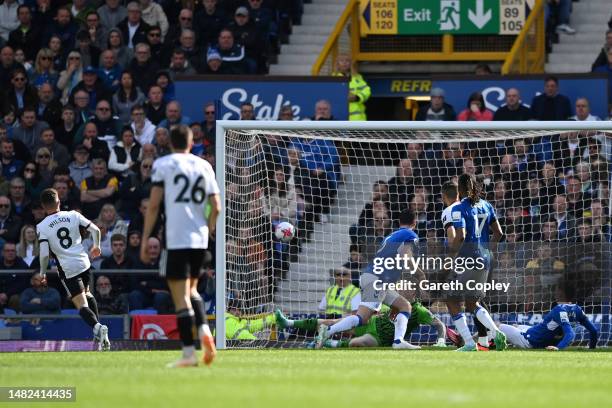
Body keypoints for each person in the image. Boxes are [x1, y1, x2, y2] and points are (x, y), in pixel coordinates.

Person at [140, 124, 220, 367]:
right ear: (190, 142)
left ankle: (188, 353)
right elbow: (216, 206)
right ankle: (205, 330)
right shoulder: (204, 165)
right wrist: (210, 227)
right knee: (193, 290)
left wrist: (145, 238)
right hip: (200, 240)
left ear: (171, 143)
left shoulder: (163, 164)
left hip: (176, 239)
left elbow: (153, 206)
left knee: (180, 297)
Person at [316, 209, 421, 350]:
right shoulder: (410, 234)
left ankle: (398, 341)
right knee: (361, 318)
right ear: (415, 222)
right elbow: (404, 256)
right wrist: (419, 273)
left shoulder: (391, 236)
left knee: (404, 306)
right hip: (377, 280)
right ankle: (328, 331)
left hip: (372, 277)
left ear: (398, 222)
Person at [36, 188, 110, 350]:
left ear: (43, 206)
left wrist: (42, 273)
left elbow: (44, 255)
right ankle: (96, 332)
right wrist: (96, 246)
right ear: (59, 202)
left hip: (67, 268)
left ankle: (98, 327)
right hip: (84, 262)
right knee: (88, 293)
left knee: (81, 305)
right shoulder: (73, 215)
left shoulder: (42, 226)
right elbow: (95, 229)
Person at [446, 174, 506, 352]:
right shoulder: (487, 205)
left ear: (460, 190)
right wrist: (487, 250)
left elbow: (461, 236)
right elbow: (499, 233)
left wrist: (450, 256)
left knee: (451, 300)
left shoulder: (459, 209)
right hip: (484, 258)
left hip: (469, 258)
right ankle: (494, 334)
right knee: (472, 303)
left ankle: (472, 342)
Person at [276, 302, 449, 348]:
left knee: (356, 343)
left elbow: (439, 324)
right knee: (333, 321)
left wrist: (441, 340)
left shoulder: (419, 310)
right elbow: (376, 310)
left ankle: (327, 342)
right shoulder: (393, 299)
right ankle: (288, 322)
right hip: (369, 323)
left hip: (379, 338)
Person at [500, 303, 597, 350]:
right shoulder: (578, 310)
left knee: (499, 327)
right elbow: (594, 331)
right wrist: (592, 348)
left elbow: (570, 333)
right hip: (532, 330)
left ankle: (486, 342)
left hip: (528, 340)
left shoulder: (560, 310)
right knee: (514, 326)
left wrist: (558, 348)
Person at [332, 54, 371, 121]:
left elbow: (367, 91)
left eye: (347, 61)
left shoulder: (357, 77)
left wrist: (357, 97)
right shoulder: (332, 78)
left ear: (351, 64)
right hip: (340, 117)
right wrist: (344, 96)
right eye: (341, 61)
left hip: (358, 119)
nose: (344, 63)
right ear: (337, 64)